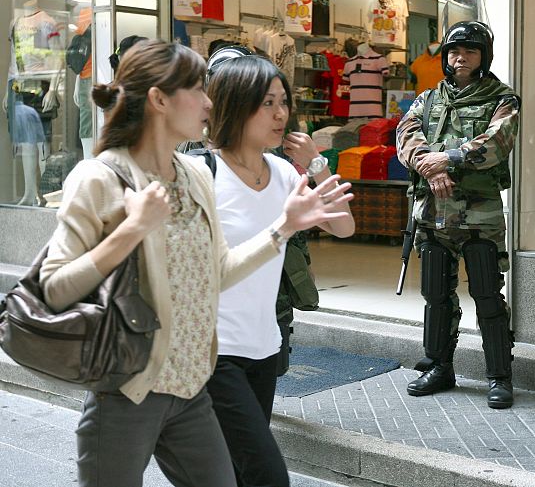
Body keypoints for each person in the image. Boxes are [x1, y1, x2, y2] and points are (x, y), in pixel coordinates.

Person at [37, 39, 352, 487]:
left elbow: (217, 272)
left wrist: (283, 229)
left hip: (191, 380)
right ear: (159, 100)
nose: (209, 101)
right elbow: (54, 288)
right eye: (198, 88)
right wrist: (132, 229)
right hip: (131, 381)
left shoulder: (194, 176)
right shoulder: (98, 176)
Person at [201, 45, 354, 487]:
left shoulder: (285, 173)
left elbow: (344, 226)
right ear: (233, 104)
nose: (279, 113)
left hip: (264, 347)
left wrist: (317, 166)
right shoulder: (202, 173)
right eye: (266, 103)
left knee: (234, 471)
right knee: (268, 474)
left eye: (283, 101)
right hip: (216, 352)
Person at [396, 20, 520, 409]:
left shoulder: (502, 98)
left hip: (479, 215)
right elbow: (405, 135)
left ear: (483, 56)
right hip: (434, 213)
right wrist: (427, 166)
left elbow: (497, 142)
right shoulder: (429, 99)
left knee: (486, 294)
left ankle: (499, 376)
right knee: (436, 295)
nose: (459, 57)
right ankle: (438, 365)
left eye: (469, 50)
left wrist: (446, 160)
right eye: (453, 51)